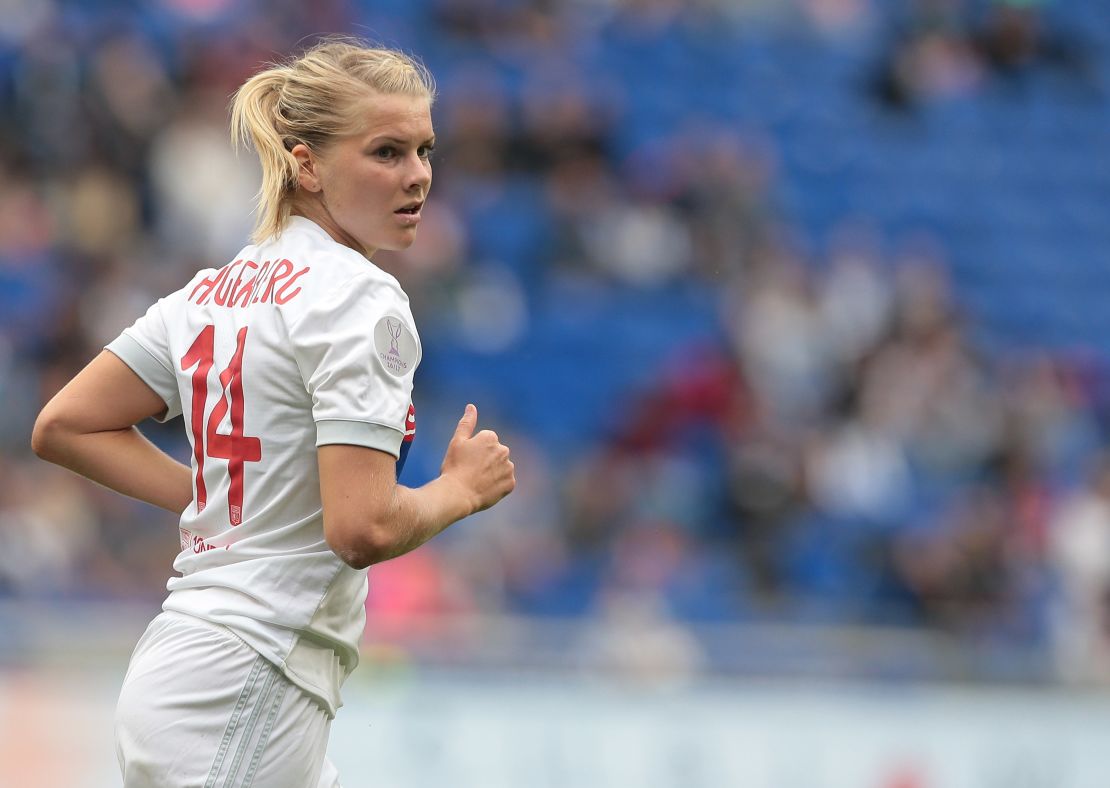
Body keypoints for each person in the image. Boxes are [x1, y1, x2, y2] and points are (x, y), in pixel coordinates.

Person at [30, 39, 516, 787]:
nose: (417, 174)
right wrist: (460, 491)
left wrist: (211, 499)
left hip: (192, 663)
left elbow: (65, 424)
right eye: (386, 152)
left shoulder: (209, 291)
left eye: (424, 150)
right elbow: (361, 529)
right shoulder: (361, 295)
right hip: (250, 673)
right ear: (306, 164)